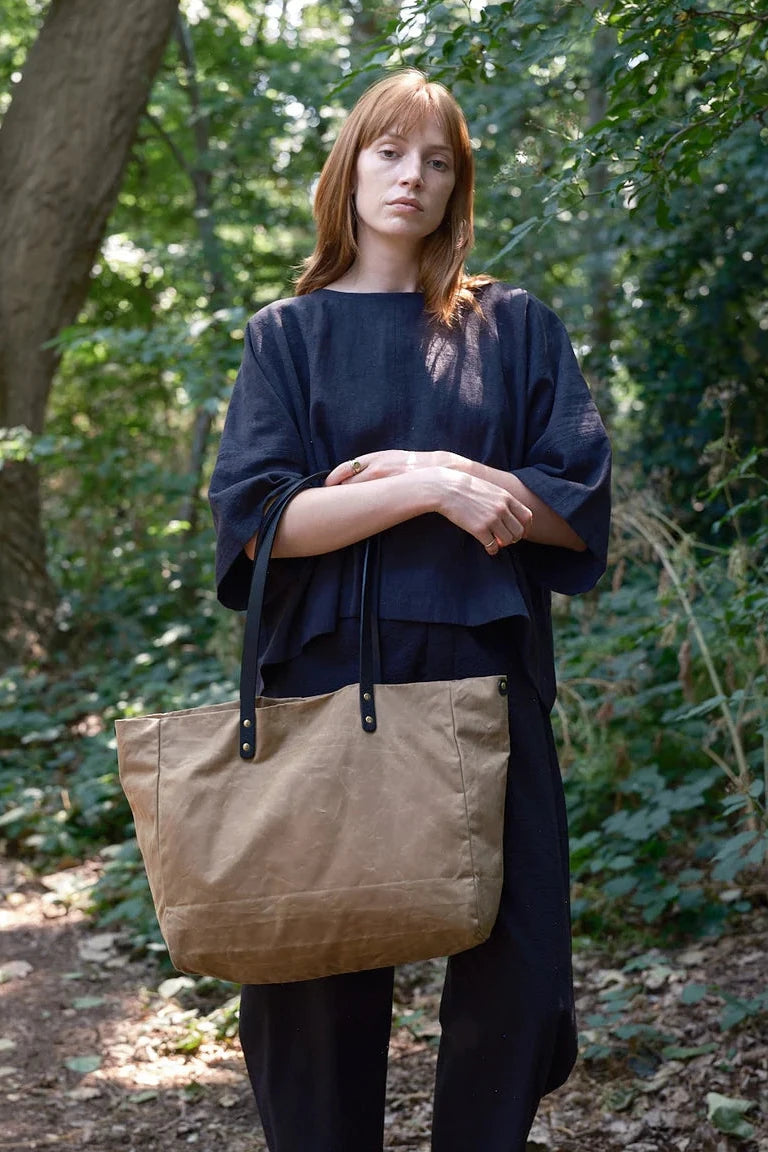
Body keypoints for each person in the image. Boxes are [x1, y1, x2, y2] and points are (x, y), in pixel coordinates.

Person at [208, 68, 611, 1152]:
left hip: (487, 675)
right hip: (327, 669)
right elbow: (260, 524)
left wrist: (438, 460)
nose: (413, 176)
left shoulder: (514, 326)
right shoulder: (284, 336)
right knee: (317, 982)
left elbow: (575, 514)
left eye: (438, 160)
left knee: (519, 973)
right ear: (350, 167)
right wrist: (431, 486)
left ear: (457, 184)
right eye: (391, 151)